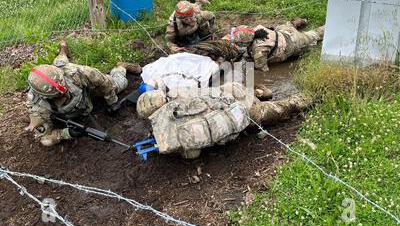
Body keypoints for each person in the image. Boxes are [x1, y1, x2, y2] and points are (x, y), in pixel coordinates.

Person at [136, 82, 312, 159]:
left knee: (282, 108)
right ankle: (260, 93)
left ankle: (309, 97)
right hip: (232, 91)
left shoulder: (183, 128)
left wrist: (176, 149)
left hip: (247, 112)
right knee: (250, 95)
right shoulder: (176, 93)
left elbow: (193, 154)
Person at [25, 41, 142, 147]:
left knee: (121, 84)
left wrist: (112, 101)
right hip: (68, 112)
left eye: (64, 87)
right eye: (58, 94)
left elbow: (103, 82)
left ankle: (122, 67)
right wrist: (67, 133)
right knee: (60, 61)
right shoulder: (39, 108)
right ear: (45, 96)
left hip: (87, 92)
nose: (64, 92)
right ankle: (63, 49)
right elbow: (44, 139)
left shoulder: (77, 72)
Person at [222, 19, 325, 71]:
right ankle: (301, 21)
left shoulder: (259, 50)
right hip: (283, 31)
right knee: (287, 25)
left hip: (294, 42)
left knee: (313, 35)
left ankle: (327, 27)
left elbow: (263, 70)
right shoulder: (252, 30)